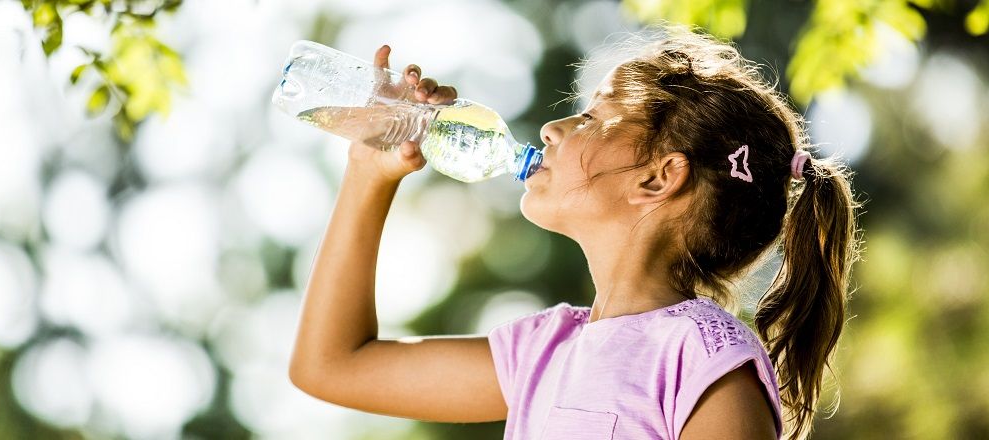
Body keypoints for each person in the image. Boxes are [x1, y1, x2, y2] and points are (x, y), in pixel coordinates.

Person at [288, 23, 863, 440]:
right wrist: (370, 171)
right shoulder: (543, 352)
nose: (552, 129)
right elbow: (331, 365)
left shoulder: (704, 360)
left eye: (591, 118)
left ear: (660, 178)